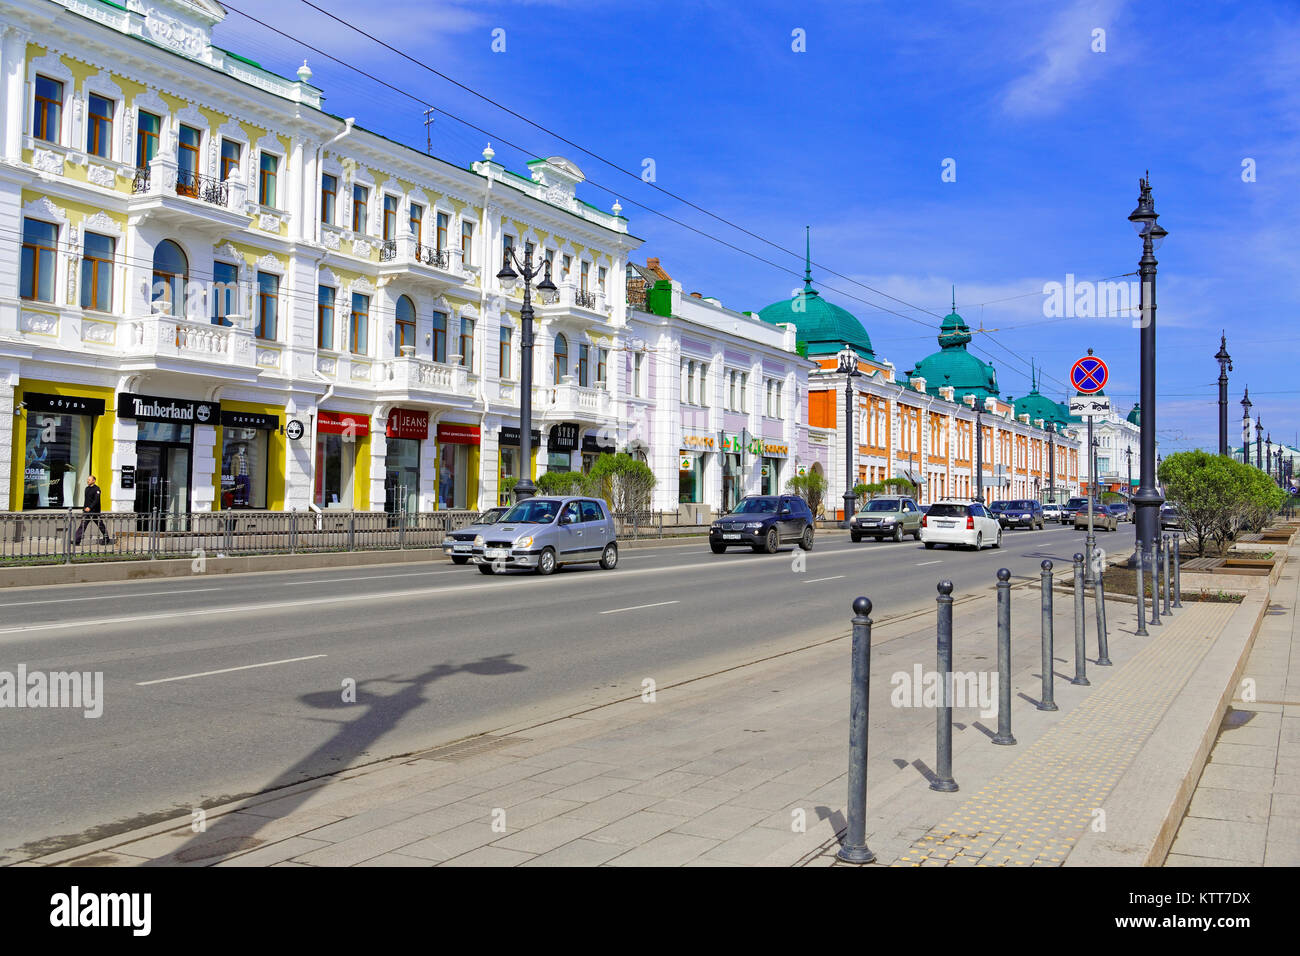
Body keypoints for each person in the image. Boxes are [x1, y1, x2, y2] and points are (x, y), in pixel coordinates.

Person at [73, 475, 111, 546]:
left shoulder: (97, 489)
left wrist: (90, 507)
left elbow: (96, 500)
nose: (88, 481)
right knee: (83, 525)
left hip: (95, 511)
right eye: (87, 479)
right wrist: (84, 509)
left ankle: (106, 538)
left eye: (89, 480)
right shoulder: (87, 488)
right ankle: (77, 541)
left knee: (100, 525)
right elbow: (87, 500)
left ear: (94, 480)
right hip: (87, 511)